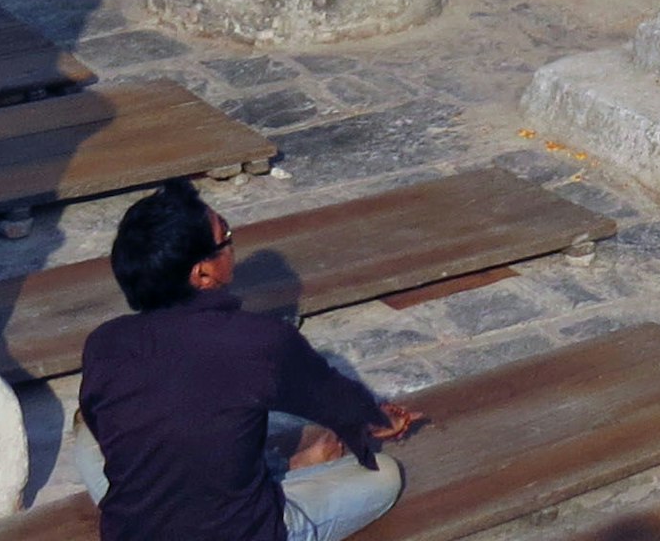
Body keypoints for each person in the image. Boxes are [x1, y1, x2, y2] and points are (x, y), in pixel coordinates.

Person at [71, 179, 422, 541]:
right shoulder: (260, 340)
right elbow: (338, 402)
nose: (232, 247)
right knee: (384, 475)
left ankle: (281, 472)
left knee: (91, 440)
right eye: (227, 236)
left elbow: (104, 425)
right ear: (202, 273)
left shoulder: (104, 343)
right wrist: (378, 418)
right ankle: (286, 473)